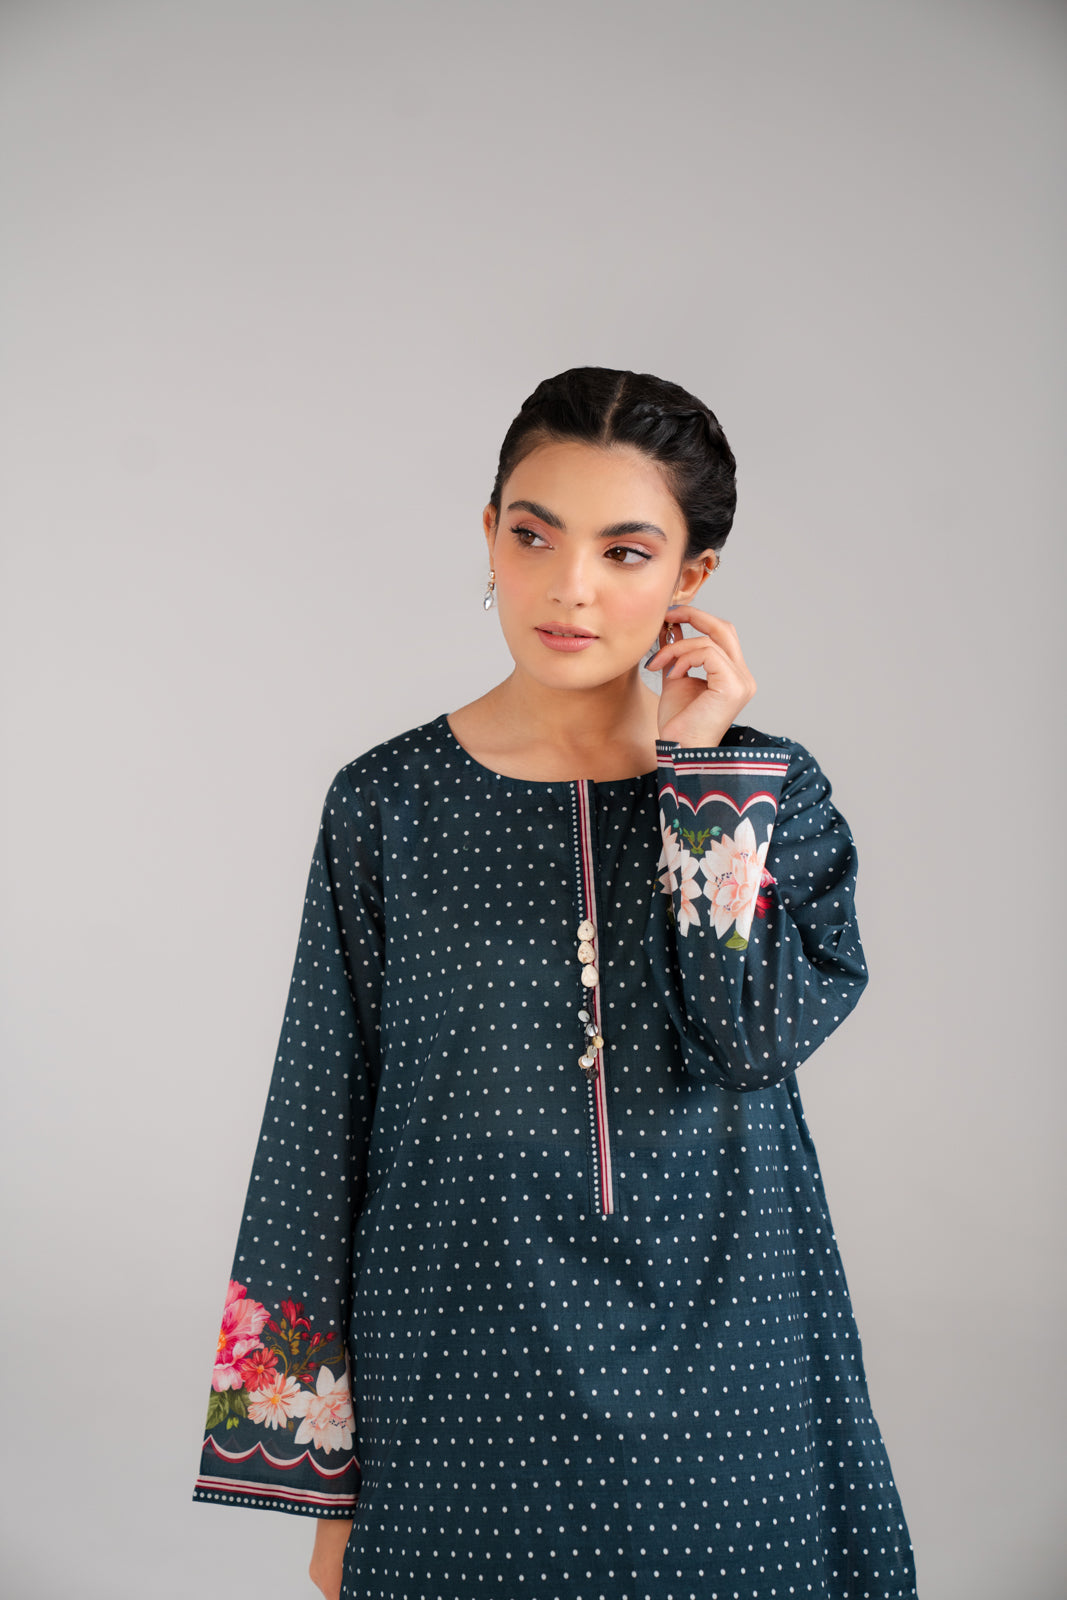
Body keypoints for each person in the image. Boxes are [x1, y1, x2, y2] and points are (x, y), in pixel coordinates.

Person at [192, 366, 917, 1600]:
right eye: (534, 535)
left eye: (624, 552)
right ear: (489, 536)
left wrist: (696, 778)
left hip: (725, 1353)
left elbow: (749, 1036)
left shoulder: (763, 796)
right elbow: (320, 1119)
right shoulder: (387, 804)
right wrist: (319, 1479)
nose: (569, 586)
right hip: (461, 1359)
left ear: (690, 577)